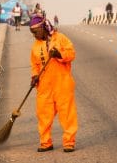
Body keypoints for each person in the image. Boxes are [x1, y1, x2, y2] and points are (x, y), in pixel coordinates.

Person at [29, 15, 78, 153]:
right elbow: (34, 64)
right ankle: (45, 142)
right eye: (32, 32)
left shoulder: (60, 38)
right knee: (43, 114)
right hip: (44, 85)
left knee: (67, 114)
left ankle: (69, 142)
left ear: (44, 27)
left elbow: (71, 53)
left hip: (62, 82)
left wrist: (59, 54)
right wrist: (34, 77)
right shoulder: (35, 46)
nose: (34, 35)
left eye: (36, 31)